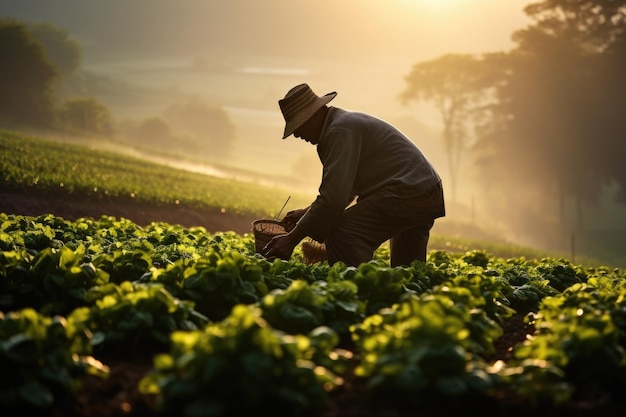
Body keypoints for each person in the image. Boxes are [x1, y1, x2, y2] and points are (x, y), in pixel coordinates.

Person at [262, 83, 445, 267]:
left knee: (343, 233)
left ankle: (357, 292)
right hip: (427, 192)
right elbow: (346, 191)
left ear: (315, 115)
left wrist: (291, 239)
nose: (297, 135)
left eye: (299, 126)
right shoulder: (342, 124)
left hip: (407, 192)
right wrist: (304, 214)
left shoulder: (339, 131)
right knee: (408, 269)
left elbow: (333, 200)